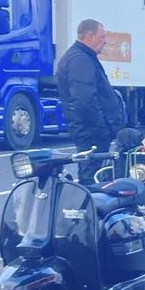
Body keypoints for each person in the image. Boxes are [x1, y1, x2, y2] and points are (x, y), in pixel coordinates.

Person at [56, 18, 125, 186]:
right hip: (91, 133)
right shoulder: (80, 59)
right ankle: (90, 210)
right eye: (102, 37)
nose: (105, 42)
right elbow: (84, 100)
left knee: (95, 175)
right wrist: (102, 128)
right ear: (90, 35)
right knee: (91, 177)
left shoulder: (83, 57)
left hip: (90, 131)